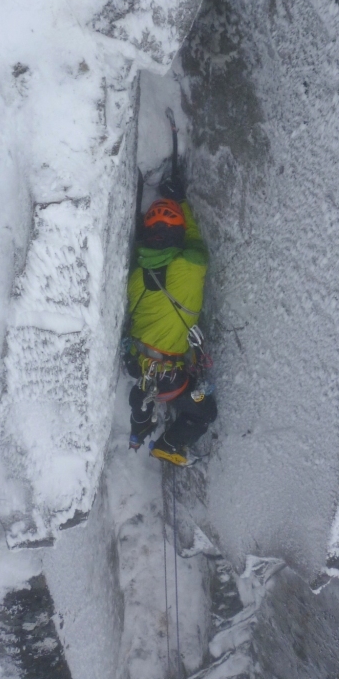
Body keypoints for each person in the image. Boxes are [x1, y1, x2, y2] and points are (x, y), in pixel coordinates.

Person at [123, 176, 217, 466]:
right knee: (204, 413)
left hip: (137, 362)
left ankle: (141, 426)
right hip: (169, 378)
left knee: (147, 394)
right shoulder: (191, 265)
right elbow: (194, 241)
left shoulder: (136, 277)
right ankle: (168, 445)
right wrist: (181, 201)